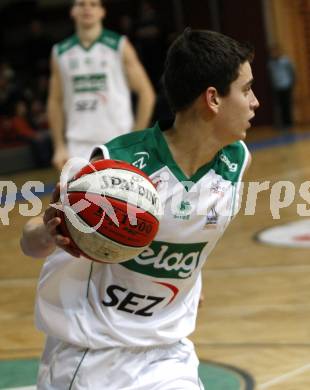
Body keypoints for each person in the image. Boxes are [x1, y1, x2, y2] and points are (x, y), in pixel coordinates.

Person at [20, 28, 259, 389]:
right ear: (212, 99)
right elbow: (30, 244)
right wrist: (48, 231)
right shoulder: (116, 166)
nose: (255, 101)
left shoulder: (235, 162)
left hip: (168, 353)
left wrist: (185, 281)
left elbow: (188, 233)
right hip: (92, 355)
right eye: (245, 89)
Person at [48, 0, 155, 171]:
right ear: (72, 11)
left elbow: (146, 93)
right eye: (81, 4)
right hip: (78, 146)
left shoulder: (119, 45)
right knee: (79, 198)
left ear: (102, 12)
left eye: (93, 4)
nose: (87, 8)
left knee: (122, 198)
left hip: (118, 143)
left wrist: (136, 138)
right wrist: (59, 145)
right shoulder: (60, 52)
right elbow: (55, 101)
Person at [267, 45, 295, 129]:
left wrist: (292, 83)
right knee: (279, 106)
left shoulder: (285, 61)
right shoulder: (270, 63)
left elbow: (292, 72)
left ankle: (289, 123)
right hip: (277, 87)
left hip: (286, 85)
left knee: (287, 105)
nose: (274, 54)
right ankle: (282, 124)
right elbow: (270, 75)